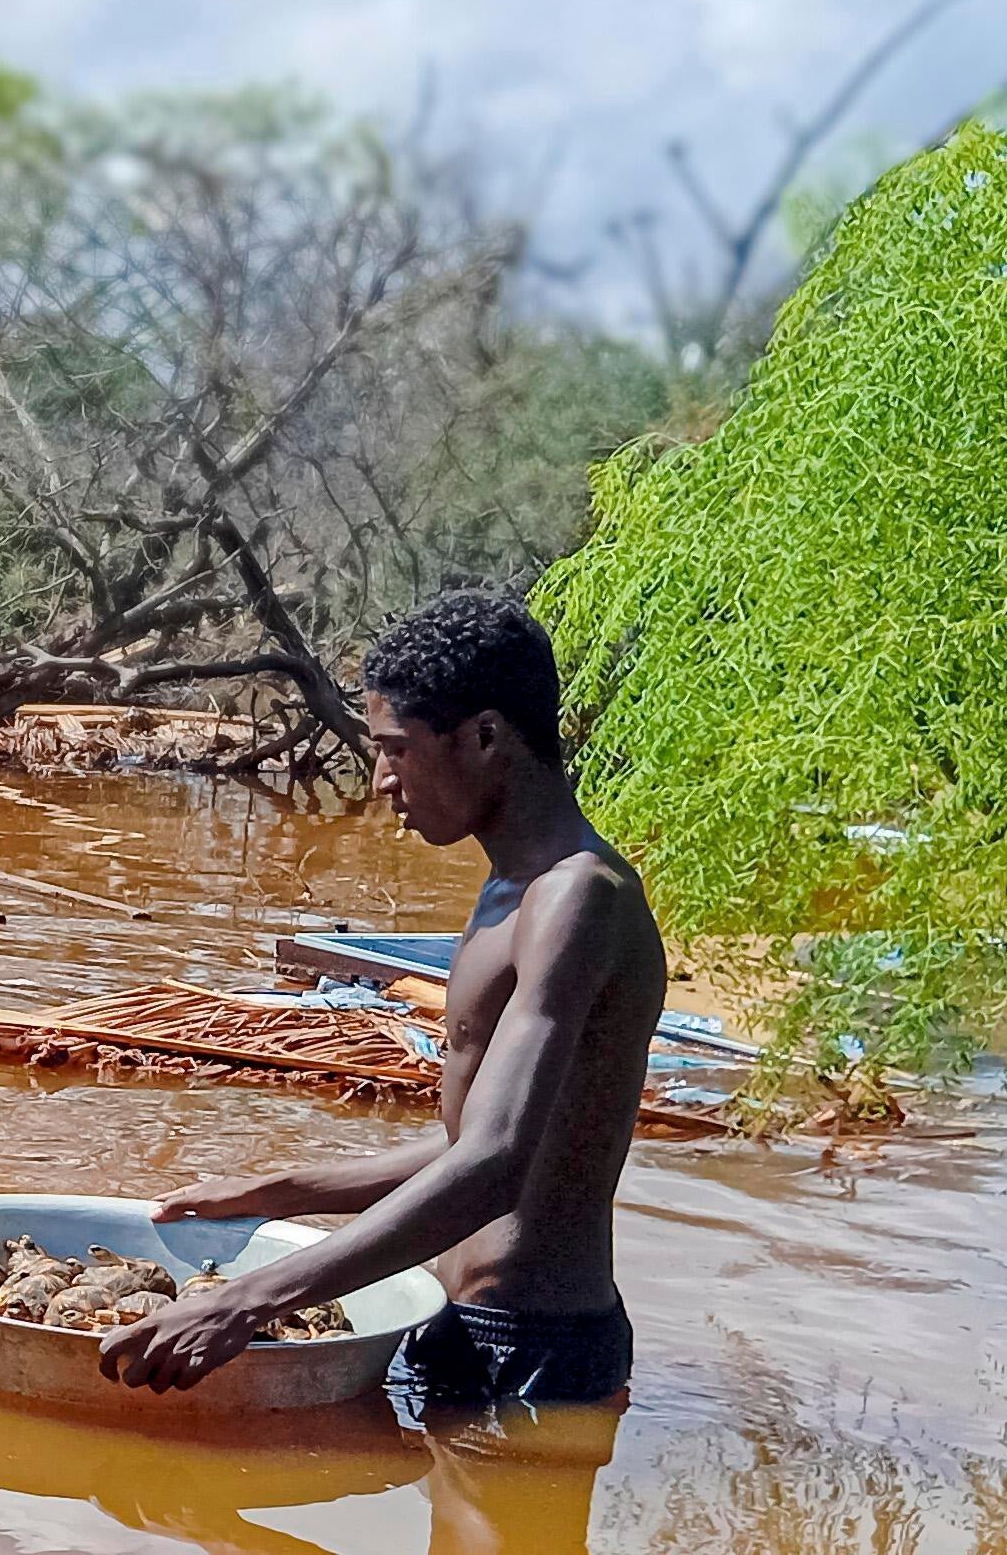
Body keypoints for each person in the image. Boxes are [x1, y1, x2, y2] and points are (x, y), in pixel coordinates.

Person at [101, 589, 668, 1419]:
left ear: (484, 737)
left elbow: (496, 1167)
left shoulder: (577, 899)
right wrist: (280, 1191)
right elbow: (475, 1140)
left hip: (536, 1345)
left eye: (396, 751)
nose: (381, 783)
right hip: (461, 1321)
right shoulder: (513, 890)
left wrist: (251, 1298)